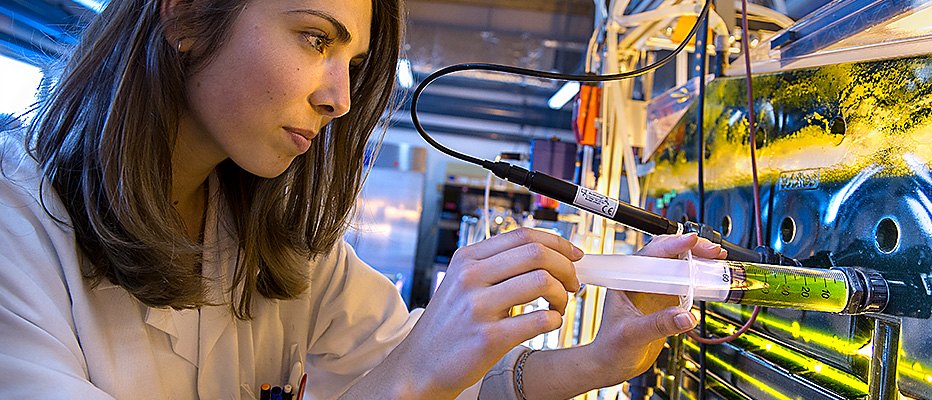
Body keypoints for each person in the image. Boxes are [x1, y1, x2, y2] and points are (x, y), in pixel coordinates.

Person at [0, 0, 727, 398]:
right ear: (187, 15)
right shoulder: (18, 229)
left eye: (352, 62)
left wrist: (600, 360)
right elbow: (411, 373)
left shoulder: (276, 244)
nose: (340, 98)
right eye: (315, 38)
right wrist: (407, 380)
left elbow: (450, 376)